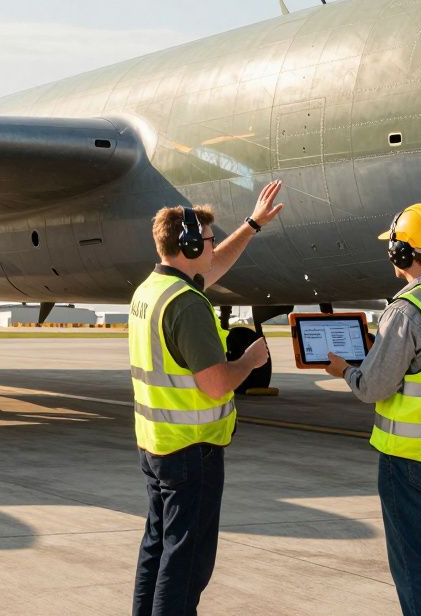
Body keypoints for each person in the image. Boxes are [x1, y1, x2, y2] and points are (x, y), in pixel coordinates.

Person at [129, 181, 283, 616]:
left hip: (157, 444)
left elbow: (214, 268)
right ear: (191, 244)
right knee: (186, 566)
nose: (213, 250)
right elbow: (216, 384)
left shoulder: (152, 291)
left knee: (157, 551)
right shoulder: (188, 304)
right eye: (209, 242)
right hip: (192, 450)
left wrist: (252, 225)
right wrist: (250, 361)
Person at [324, 202, 421, 616]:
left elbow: (373, 387)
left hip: (410, 457)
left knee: (416, 564)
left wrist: (345, 371)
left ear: (402, 253)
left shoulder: (406, 310)